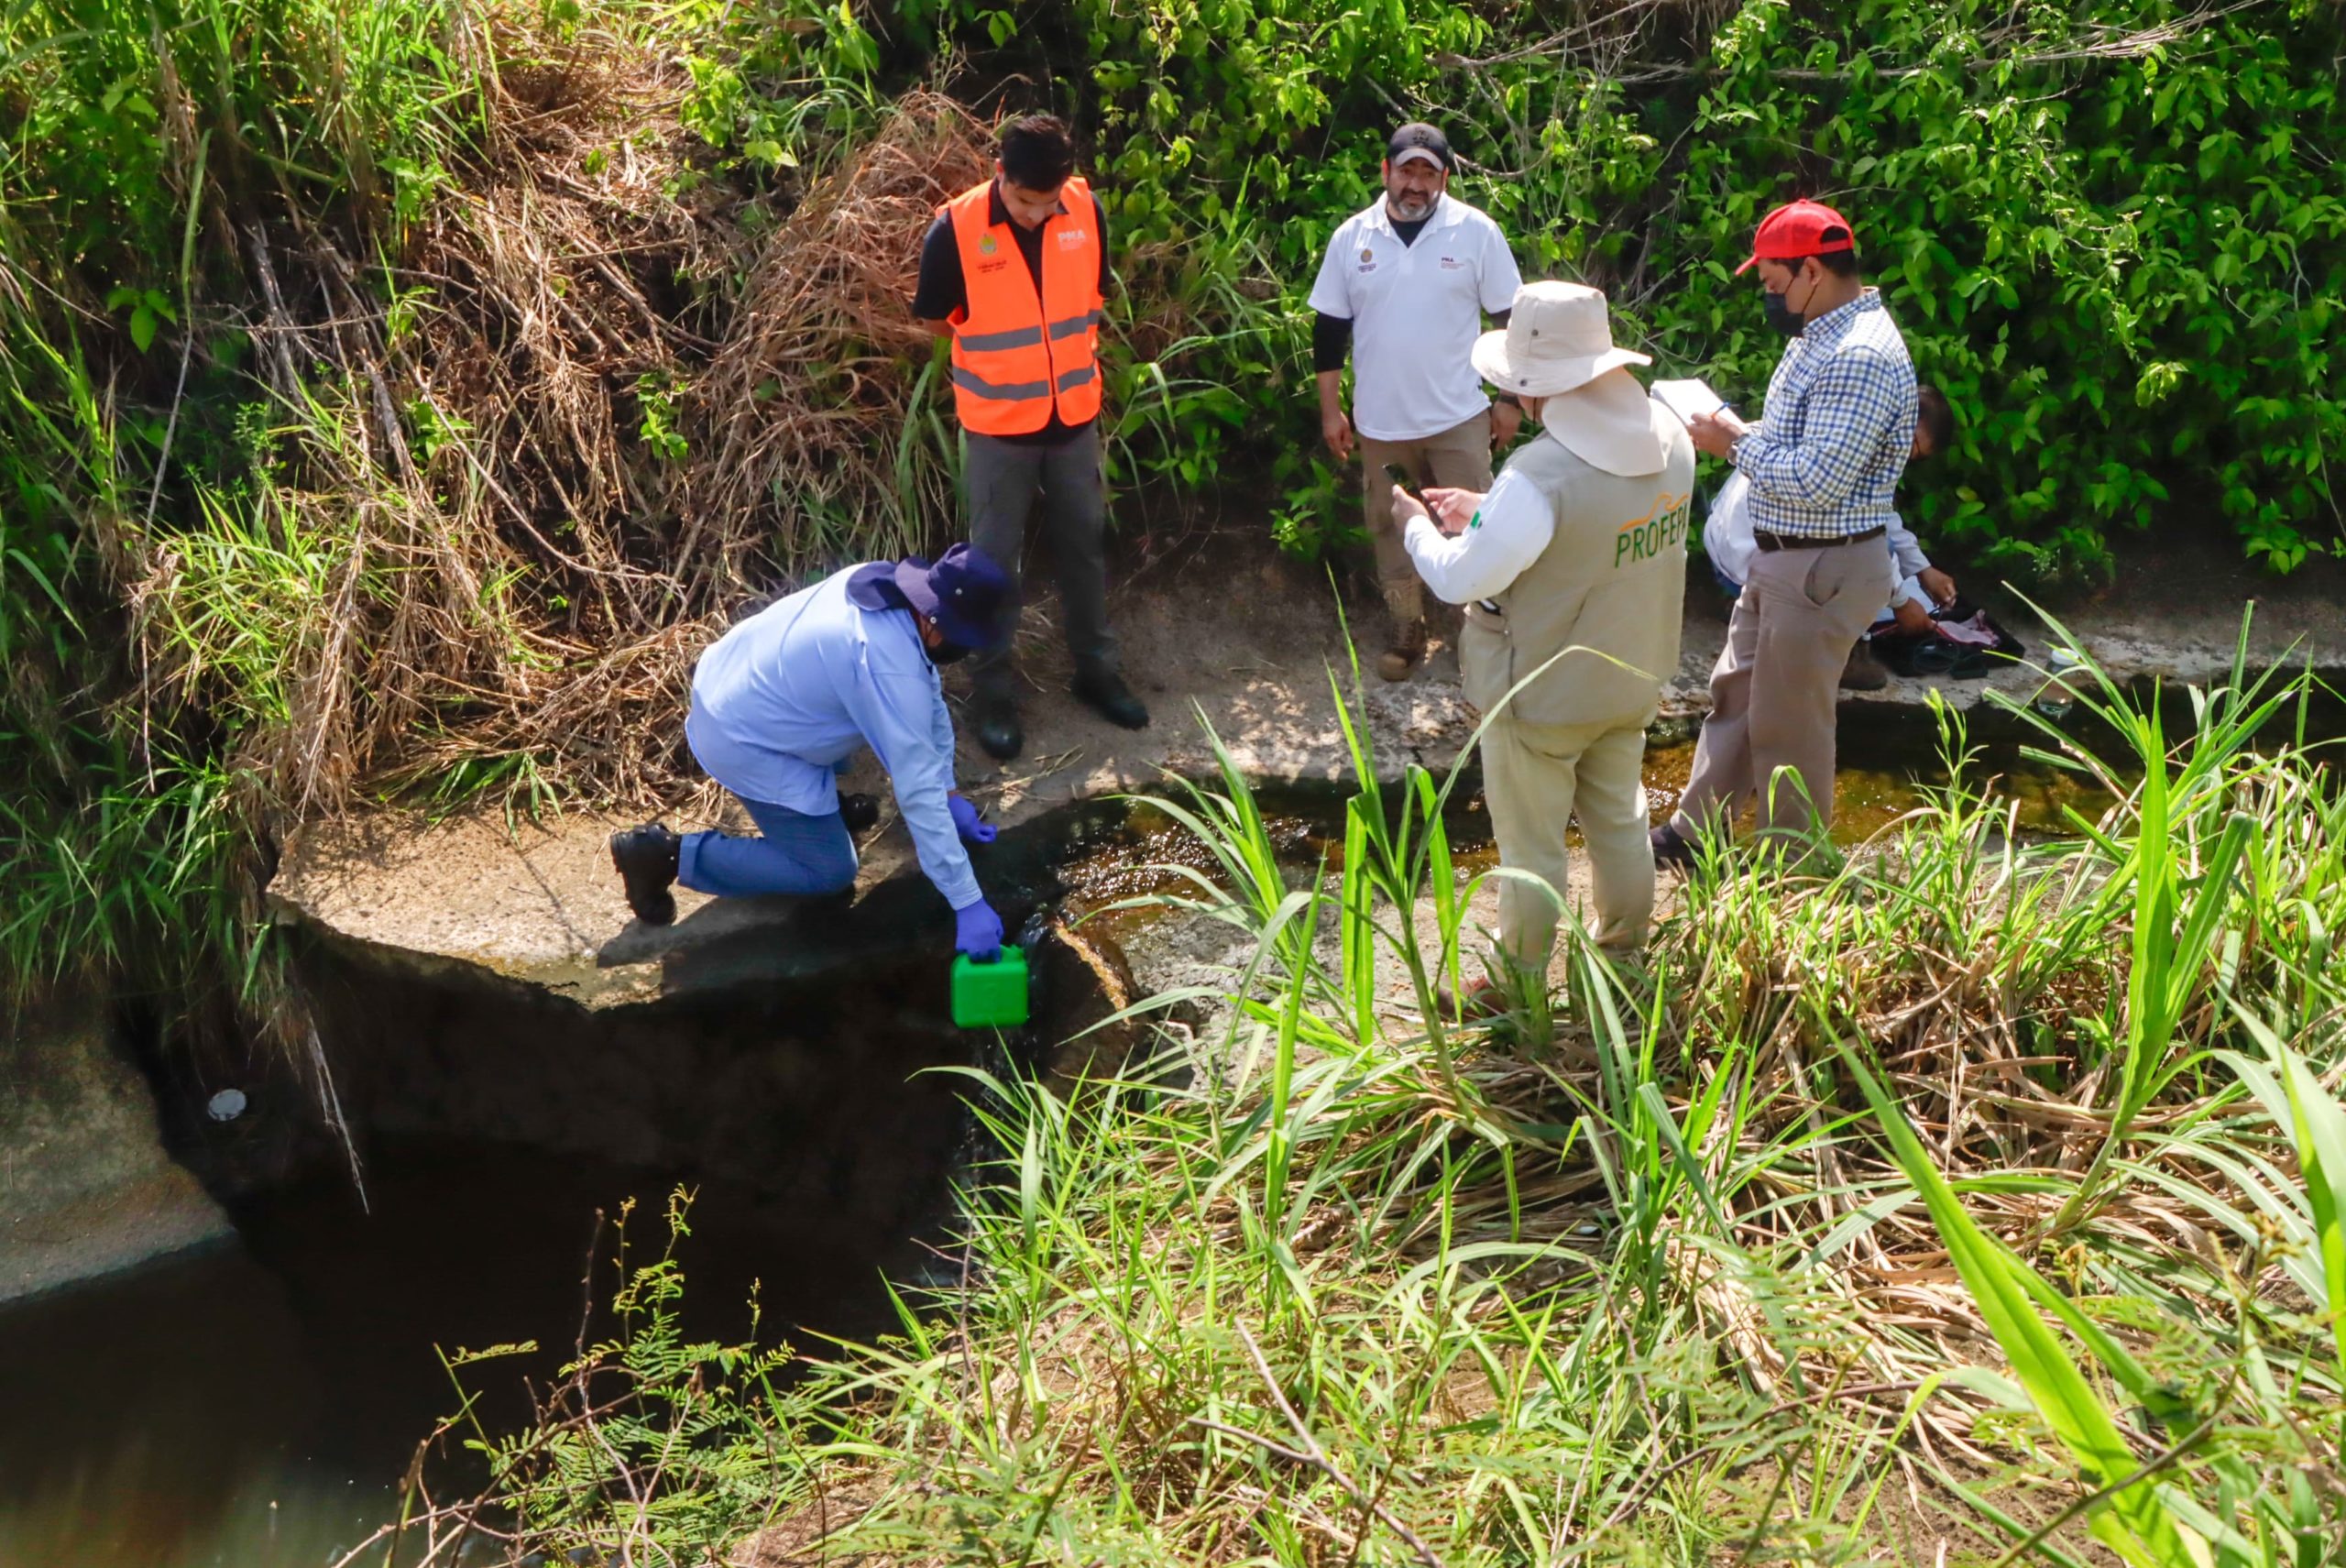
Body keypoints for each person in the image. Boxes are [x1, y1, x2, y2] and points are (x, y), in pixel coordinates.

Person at [1395, 280, 1694, 1008]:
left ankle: (1517, 985)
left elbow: (1463, 578)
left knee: (1533, 847)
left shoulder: (1540, 475)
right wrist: (1491, 512)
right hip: (1630, 677)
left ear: (1536, 389)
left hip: (1542, 694)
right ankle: (1623, 962)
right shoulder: (1672, 438)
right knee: (1621, 821)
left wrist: (1413, 526)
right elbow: (1593, 537)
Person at [1657, 199, 1917, 865]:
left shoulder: (1859, 355)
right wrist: (1738, 429)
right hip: (1785, 559)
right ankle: (1694, 835)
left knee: (1791, 730)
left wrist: (1730, 445)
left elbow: (1817, 481)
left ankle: (1794, 872)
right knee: (1737, 699)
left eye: (1774, 283)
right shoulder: (1820, 334)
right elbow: (1799, 444)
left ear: (1811, 271)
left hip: (1821, 566)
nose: (1771, 298)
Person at [608, 544, 1014, 963]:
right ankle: (666, 855)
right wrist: (966, 901)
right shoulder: (884, 660)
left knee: (866, 720)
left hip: (742, 682)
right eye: (963, 637)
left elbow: (927, 700)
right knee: (830, 871)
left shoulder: (883, 585)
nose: (964, 649)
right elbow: (916, 789)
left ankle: (821, 815)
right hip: (742, 737)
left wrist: (949, 796)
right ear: (934, 620)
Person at [913, 114, 1147, 762]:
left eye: (1049, 204)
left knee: (1085, 550)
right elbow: (937, 318)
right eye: (1024, 202)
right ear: (999, 176)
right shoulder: (954, 230)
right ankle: (992, 694)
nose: (1038, 216)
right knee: (991, 568)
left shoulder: (1084, 210)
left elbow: (1093, 296)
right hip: (997, 431)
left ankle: (1096, 673)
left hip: (1074, 418)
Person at [1309, 122, 1524, 682]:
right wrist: (1332, 411)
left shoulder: (1476, 233)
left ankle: (1475, 636)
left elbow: (1511, 321)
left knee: (1474, 526)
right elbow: (1328, 331)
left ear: (1444, 178)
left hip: (1459, 418)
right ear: (1386, 172)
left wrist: (1510, 400)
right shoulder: (1351, 239)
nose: (1416, 183)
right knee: (1391, 526)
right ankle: (1408, 632)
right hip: (1380, 426)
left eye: (1429, 173)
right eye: (1407, 170)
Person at [1702, 383, 1958, 688]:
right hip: (1749, 566)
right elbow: (1864, 540)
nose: (1905, 458)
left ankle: (1751, 611)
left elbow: (1880, 510)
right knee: (1856, 560)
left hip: (1726, 547)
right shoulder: (1850, 454)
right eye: (1913, 445)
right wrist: (1903, 605)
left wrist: (1922, 568)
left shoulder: (1838, 424)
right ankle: (1843, 653)